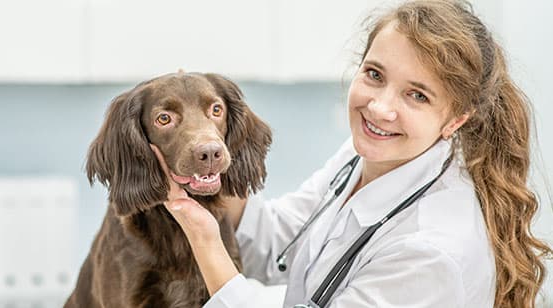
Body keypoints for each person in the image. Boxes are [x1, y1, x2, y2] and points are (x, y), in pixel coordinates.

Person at [150, 0, 552, 307]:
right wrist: (213, 159)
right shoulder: (368, 155)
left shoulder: (432, 251)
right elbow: (280, 246)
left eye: (417, 95)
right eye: (374, 75)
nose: (379, 108)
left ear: (456, 120)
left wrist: (202, 235)